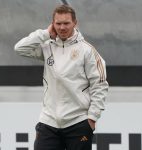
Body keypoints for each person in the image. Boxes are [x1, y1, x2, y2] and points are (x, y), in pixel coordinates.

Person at [14, 4, 109, 150]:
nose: (62, 27)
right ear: (53, 24)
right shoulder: (47, 46)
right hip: (48, 123)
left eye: (66, 23)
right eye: (58, 23)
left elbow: (100, 84)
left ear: (75, 23)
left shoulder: (87, 50)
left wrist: (92, 117)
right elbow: (20, 48)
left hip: (78, 123)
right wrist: (45, 33)